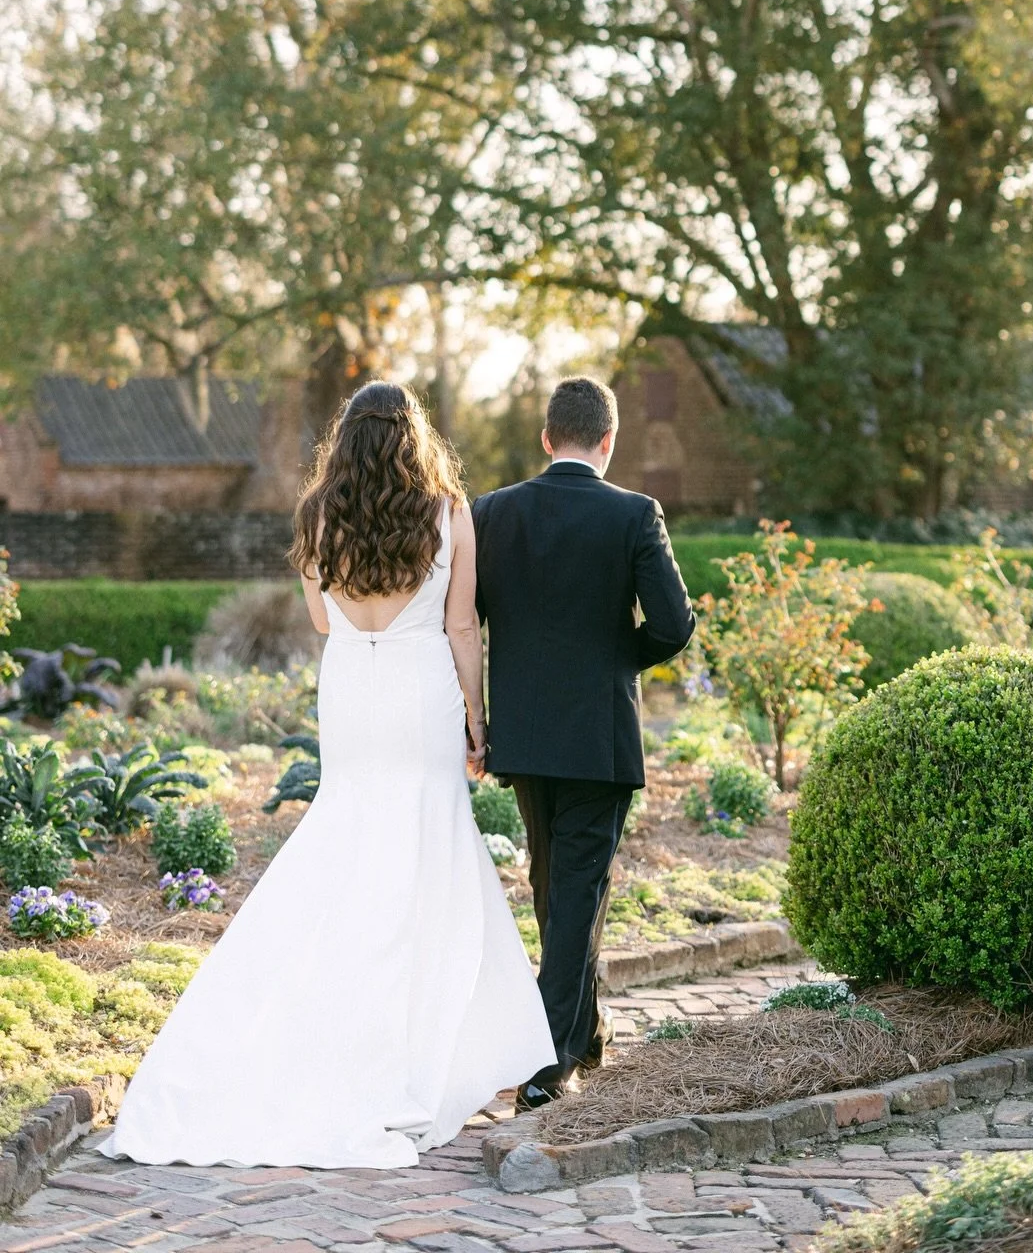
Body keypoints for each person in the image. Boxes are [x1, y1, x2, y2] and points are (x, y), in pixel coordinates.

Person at [101, 382, 553, 1168]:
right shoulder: (449, 512)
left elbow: (320, 620)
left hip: (352, 688)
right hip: (419, 690)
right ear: (414, 438)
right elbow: (459, 624)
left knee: (346, 836)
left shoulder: (316, 514)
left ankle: (325, 1018)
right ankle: (417, 1047)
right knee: (425, 850)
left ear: (344, 440)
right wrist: (478, 719)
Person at [473, 375, 694, 1109]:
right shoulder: (635, 513)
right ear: (609, 441)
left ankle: (585, 1034)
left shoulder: (494, 514)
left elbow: (464, 621)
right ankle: (552, 1059)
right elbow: (673, 624)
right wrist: (613, 661)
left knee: (555, 888)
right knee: (572, 892)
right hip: (598, 734)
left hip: (528, 734)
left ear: (546, 437)